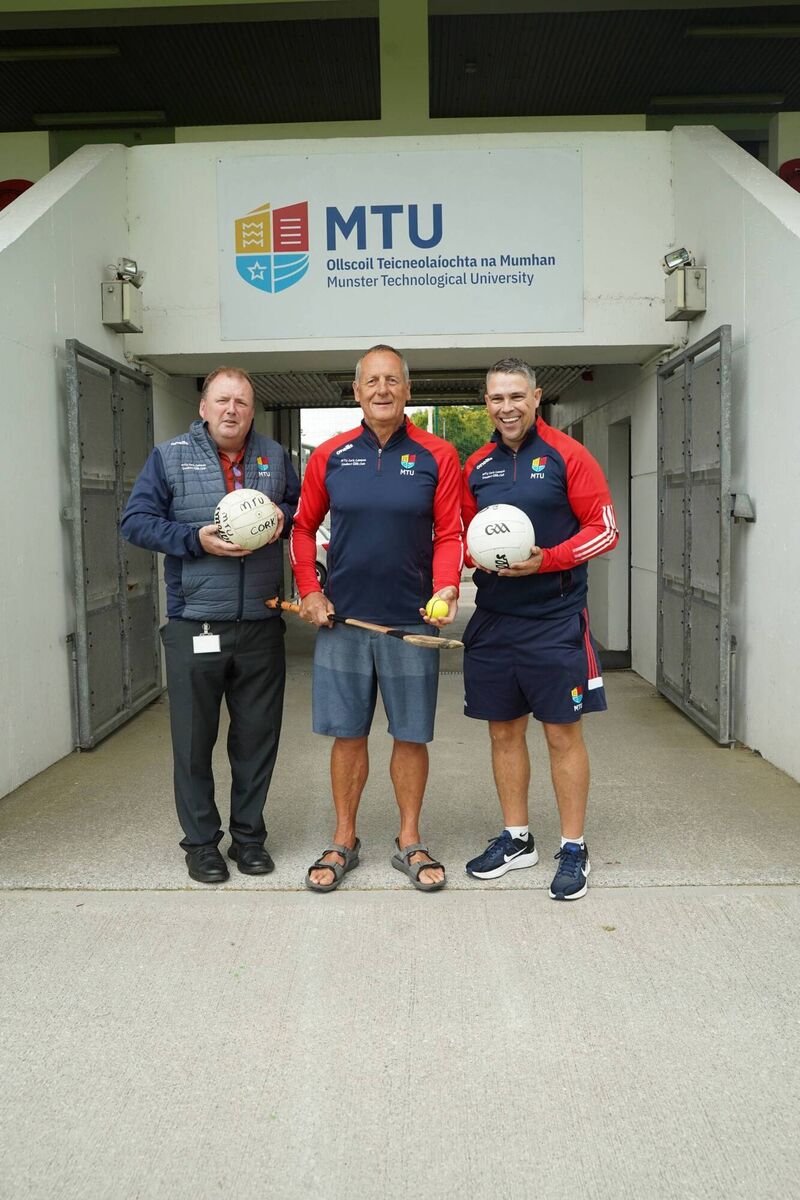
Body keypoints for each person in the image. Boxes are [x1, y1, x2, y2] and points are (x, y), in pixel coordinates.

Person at [290, 345, 462, 893]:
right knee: (347, 736)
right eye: (372, 381)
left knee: (410, 737)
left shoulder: (438, 454)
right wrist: (311, 592)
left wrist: (446, 586)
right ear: (357, 390)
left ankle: (408, 839)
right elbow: (300, 528)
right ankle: (344, 838)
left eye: (393, 380)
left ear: (408, 390)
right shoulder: (332, 456)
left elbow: (450, 533)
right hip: (344, 624)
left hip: (412, 625)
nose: (382, 390)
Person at [121, 367, 300, 883]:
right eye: (222, 400)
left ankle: (249, 839)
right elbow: (135, 522)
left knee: (256, 738)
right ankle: (201, 843)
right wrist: (195, 539)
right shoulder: (170, 456)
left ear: (252, 410)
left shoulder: (273, 456)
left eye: (241, 402)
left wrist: (279, 519)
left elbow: (296, 507)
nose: (231, 410)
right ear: (203, 407)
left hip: (261, 622)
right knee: (194, 741)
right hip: (196, 623)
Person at [461, 357, 618, 900]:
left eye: (516, 396)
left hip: (554, 621)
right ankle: (517, 838)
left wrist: (548, 559)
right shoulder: (477, 465)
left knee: (560, 734)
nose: (507, 407)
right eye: (497, 398)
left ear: (536, 397)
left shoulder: (567, 456)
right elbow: (459, 534)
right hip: (496, 620)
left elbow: (605, 531)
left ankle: (573, 846)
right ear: (487, 403)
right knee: (503, 731)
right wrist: (469, 557)